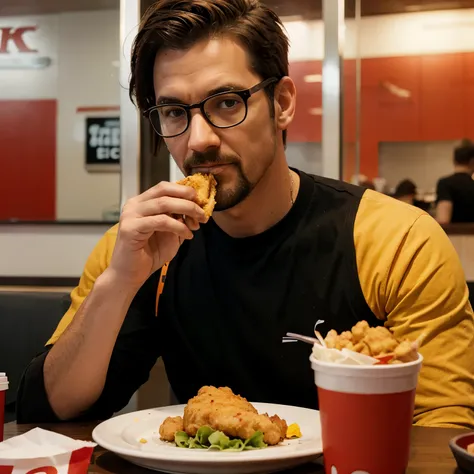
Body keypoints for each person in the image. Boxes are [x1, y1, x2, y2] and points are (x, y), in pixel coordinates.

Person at [17, 0, 474, 428]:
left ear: (283, 104)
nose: (198, 140)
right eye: (175, 112)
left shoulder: (396, 240)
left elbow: (441, 430)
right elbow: (50, 409)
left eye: (227, 103)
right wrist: (118, 284)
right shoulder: (143, 248)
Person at [436, 143, 474, 224]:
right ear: (472, 161)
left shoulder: (445, 183)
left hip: (454, 235)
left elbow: (444, 219)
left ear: (454, 160)